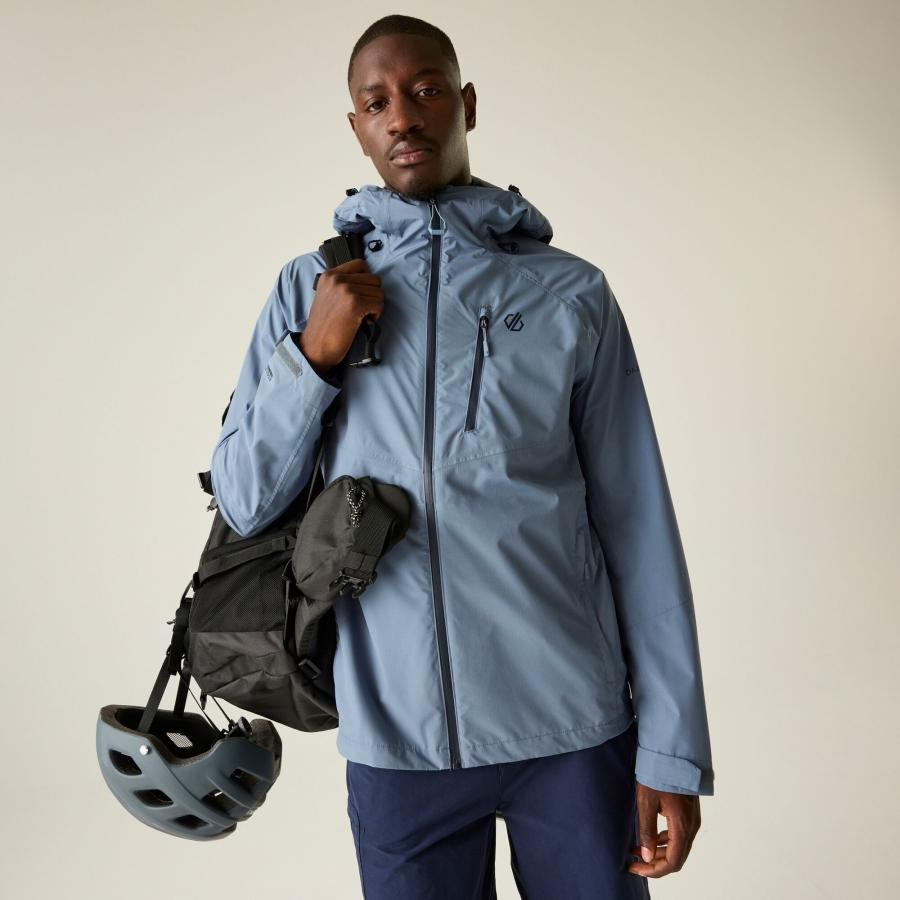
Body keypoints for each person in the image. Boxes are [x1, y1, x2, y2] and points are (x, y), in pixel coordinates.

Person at [210, 13, 714, 899]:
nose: (403, 116)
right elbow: (246, 500)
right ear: (357, 127)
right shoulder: (310, 290)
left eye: (426, 90)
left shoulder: (570, 293)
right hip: (396, 739)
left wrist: (672, 745)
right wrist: (314, 356)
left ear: (467, 104)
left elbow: (637, 521)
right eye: (376, 102)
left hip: (573, 728)